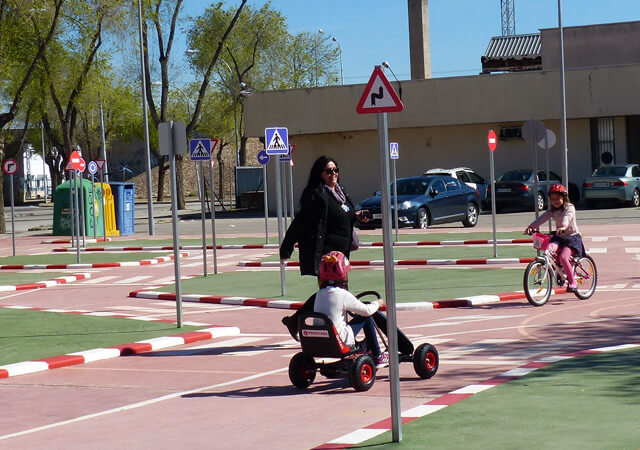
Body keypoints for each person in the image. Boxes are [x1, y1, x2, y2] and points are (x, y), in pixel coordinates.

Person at [280, 156, 370, 339]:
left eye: (336, 170)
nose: (333, 174)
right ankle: (320, 330)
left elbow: (345, 215)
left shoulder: (339, 192)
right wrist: (286, 248)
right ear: (320, 174)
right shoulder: (317, 195)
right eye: (329, 171)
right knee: (330, 293)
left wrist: (357, 216)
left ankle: (319, 327)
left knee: (335, 293)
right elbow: (301, 222)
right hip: (326, 258)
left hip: (341, 256)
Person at [312, 251, 388, 367]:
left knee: (346, 324)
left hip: (319, 341)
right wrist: (377, 303)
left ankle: (363, 347)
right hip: (339, 341)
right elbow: (366, 310)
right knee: (366, 317)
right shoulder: (342, 294)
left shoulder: (319, 294)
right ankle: (378, 356)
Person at [525, 184, 585, 292]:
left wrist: (564, 226)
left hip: (572, 239)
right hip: (559, 238)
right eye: (553, 199)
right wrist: (531, 226)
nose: (555, 201)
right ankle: (561, 269)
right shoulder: (553, 211)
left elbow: (567, 217)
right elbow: (542, 218)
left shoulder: (569, 208)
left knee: (563, 257)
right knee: (549, 249)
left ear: (564, 198)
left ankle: (572, 283)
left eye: (558, 198)